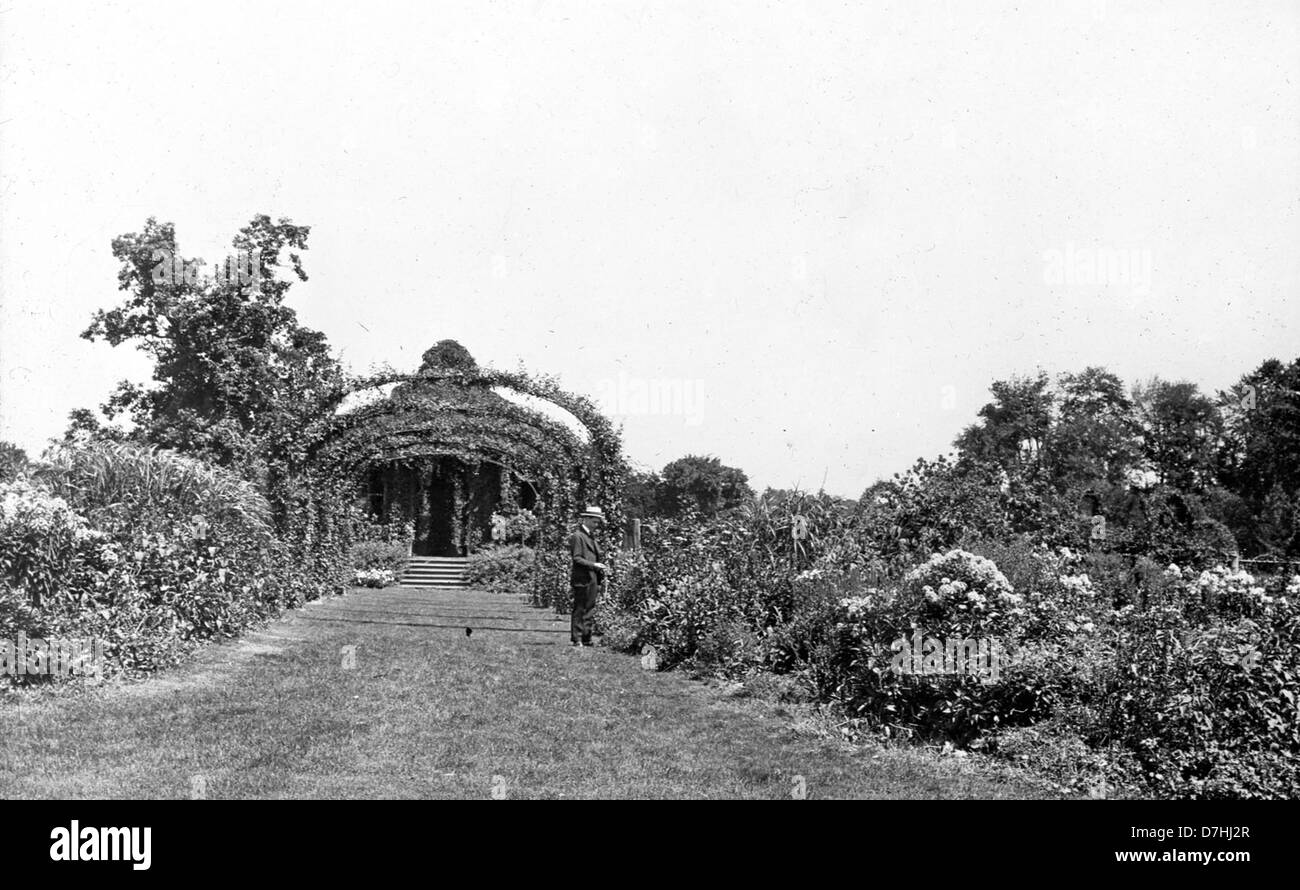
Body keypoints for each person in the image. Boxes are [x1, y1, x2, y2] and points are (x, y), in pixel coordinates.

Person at [568, 505, 608, 647]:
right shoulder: (578, 536)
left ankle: (586, 638)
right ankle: (577, 639)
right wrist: (594, 565)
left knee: (590, 608)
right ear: (585, 519)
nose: (596, 525)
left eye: (598, 522)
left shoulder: (591, 537)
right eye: (594, 521)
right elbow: (577, 558)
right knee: (580, 608)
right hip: (582, 578)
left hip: (593, 578)